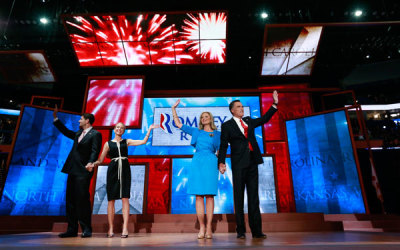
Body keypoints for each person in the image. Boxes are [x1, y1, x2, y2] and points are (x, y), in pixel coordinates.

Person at [218, 90, 278, 239]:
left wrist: (274, 104)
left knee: (254, 197)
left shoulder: (249, 121)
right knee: (238, 197)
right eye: (238, 107)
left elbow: (264, 119)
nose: (241, 108)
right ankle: (241, 231)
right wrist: (221, 162)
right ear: (232, 110)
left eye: (242, 107)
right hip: (238, 164)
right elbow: (224, 145)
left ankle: (257, 231)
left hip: (252, 161)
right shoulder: (227, 125)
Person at [90, 122, 158, 238]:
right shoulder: (108, 144)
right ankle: (110, 229)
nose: (119, 129)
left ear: (123, 130)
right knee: (111, 199)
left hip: (125, 170)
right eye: (117, 127)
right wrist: (92, 164)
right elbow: (100, 160)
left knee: (125, 198)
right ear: (114, 129)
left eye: (121, 128)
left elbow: (143, 142)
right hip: (113, 170)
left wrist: (149, 130)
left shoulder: (126, 142)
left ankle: (125, 228)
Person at [171, 99, 221, 239]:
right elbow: (178, 124)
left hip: (211, 162)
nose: (204, 118)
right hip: (197, 162)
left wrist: (221, 164)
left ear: (210, 119)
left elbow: (220, 151)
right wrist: (173, 109)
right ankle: (202, 227)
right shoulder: (196, 131)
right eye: (202, 117)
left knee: (210, 195)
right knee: (198, 195)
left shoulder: (217, 134)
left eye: (206, 116)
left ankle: (209, 227)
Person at [53, 105, 102, 238]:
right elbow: (66, 132)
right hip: (72, 170)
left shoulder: (96, 134)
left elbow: (95, 150)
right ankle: (72, 229)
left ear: (87, 121)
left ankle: (86, 229)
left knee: (82, 200)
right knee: (70, 200)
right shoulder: (78, 134)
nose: (79, 121)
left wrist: (91, 163)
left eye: (81, 119)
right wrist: (56, 119)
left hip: (84, 170)